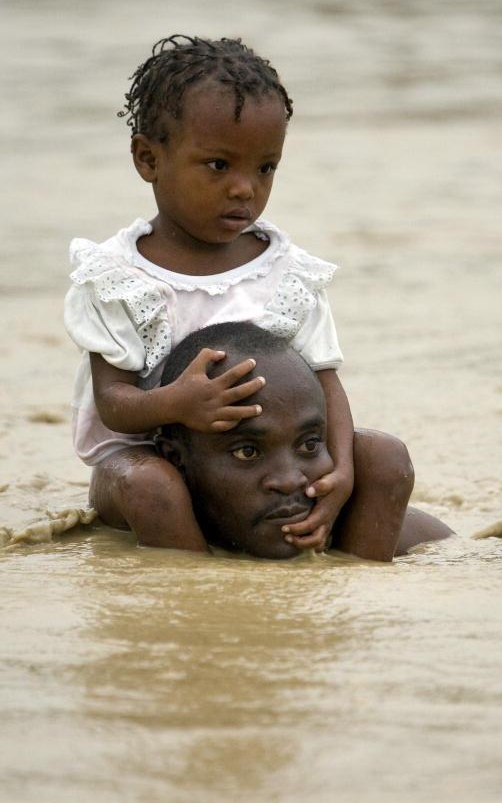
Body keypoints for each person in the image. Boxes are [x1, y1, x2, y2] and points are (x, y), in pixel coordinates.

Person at [61, 35, 421, 554]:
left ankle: (348, 575)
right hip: (155, 468)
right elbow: (114, 405)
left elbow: (327, 384)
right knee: (149, 488)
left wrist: (341, 470)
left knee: (384, 456)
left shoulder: (288, 273)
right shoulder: (118, 277)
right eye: (218, 165)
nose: (244, 189)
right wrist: (177, 404)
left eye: (265, 167)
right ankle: (204, 593)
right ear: (148, 159)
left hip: (273, 465)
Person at [156, 322, 453, 560]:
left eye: (309, 445)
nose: (289, 481)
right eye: (248, 451)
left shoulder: (421, 546)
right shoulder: (151, 552)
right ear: (177, 461)